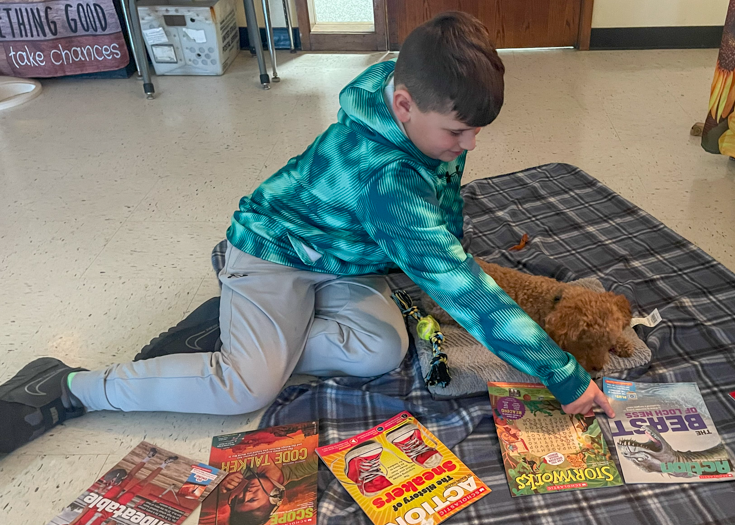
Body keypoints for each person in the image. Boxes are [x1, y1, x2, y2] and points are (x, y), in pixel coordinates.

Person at [0, 11, 614, 454]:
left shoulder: (418, 92)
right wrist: (562, 375)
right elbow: (466, 292)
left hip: (345, 261)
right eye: (457, 133)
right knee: (246, 385)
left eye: (475, 131)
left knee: (380, 349)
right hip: (271, 250)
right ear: (402, 106)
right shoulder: (383, 178)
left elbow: (443, 200)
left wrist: (444, 242)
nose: (469, 145)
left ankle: (249, 329)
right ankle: (74, 386)